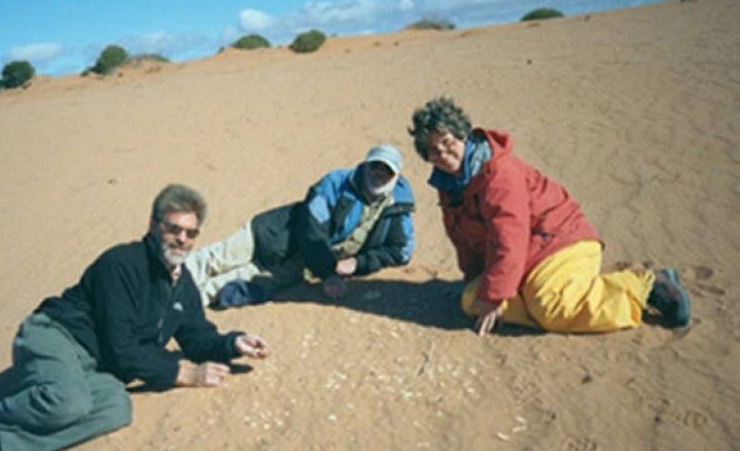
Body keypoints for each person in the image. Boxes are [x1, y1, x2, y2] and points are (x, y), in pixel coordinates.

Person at [0, 184, 270, 451]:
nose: (181, 239)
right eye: (173, 228)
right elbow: (122, 347)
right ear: (153, 225)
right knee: (70, 401)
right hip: (56, 336)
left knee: (116, 409)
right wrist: (184, 373)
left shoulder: (184, 285)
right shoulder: (121, 264)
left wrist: (232, 343)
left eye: (190, 233)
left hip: (98, 365)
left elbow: (196, 336)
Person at [408, 97, 691, 336]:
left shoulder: (499, 174)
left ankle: (645, 286)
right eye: (432, 150)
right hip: (525, 255)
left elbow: (509, 235)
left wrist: (495, 295)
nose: (443, 153)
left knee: (552, 308)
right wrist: (477, 281)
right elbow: (465, 239)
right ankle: (544, 294)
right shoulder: (451, 185)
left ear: (463, 135)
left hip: (559, 240)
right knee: (471, 299)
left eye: (447, 142)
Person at [185, 145, 415, 308]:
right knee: (213, 259)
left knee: (226, 284)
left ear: (396, 176)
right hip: (269, 235)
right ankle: (155, 280)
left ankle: (175, 307)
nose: (379, 174)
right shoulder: (335, 183)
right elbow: (312, 228)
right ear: (365, 166)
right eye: (375, 166)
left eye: (387, 171)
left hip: (297, 266)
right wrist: (328, 274)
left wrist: (358, 263)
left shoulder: (398, 206)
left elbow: (400, 251)